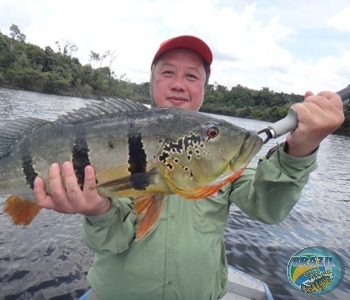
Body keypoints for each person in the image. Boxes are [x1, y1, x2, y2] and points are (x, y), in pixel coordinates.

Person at [33, 35, 345, 300]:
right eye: (168, 73)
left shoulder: (222, 157)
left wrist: (300, 150)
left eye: (192, 76)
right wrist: (98, 211)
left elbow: (268, 208)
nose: (179, 84)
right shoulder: (122, 136)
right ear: (152, 81)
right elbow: (113, 240)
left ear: (204, 88)